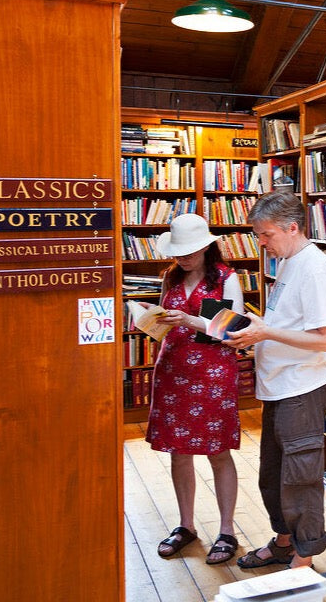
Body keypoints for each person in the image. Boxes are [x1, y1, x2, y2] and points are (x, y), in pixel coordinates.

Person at [226, 190, 326, 570]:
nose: (261, 242)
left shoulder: (314, 268)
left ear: (293, 228)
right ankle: (283, 542)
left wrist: (266, 335)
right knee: (274, 474)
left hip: (302, 387)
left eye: (266, 234)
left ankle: (303, 561)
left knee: (300, 475)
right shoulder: (290, 260)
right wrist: (254, 335)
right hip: (278, 385)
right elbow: (284, 322)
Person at [142, 213, 244, 563]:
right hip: (172, 371)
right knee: (178, 451)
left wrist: (187, 319)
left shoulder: (225, 279)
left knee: (218, 452)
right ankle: (186, 525)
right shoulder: (170, 276)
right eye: (179, 252)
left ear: (206, 247)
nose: (183, 258)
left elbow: (230, 331)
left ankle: (227, 530)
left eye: (189, 251)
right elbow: (163, 321)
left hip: (213, 374)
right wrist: (150, 318)